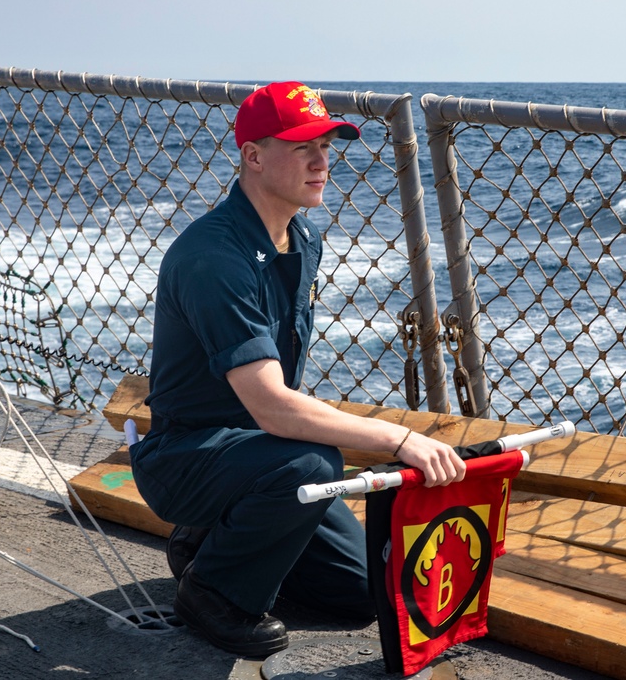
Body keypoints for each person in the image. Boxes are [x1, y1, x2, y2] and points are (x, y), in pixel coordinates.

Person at [128, 81, 466, 658]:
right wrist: (400, 439)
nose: (321, 161)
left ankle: (211, 543)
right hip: (187, 457)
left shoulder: (299, 237)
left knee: (363, 593)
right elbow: (273, 404)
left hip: (251, 454)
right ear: (253, 157)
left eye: (328, 145)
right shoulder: (214, 256)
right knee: (314, 463)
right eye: (302, 145)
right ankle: (212, 594)